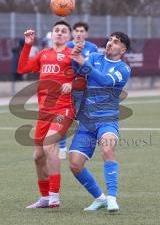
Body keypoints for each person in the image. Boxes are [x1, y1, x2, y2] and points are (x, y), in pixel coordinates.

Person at [17, 21, 86, 209]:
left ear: (69, 37)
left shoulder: (73, 55)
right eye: (57, 30)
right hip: (44, 111)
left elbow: (83, 81)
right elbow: (22, 69)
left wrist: (72, 85)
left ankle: (55, 195)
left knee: (49, 145)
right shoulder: (43, 54)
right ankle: (45, 197)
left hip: (64, 108)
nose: (60, 33)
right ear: (52, 34)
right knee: (38, 156)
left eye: (64, 31)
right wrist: (28, 44)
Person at [69, 32, 131, 212]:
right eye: (110, 39)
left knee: (107, 149)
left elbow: (104, 81)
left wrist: (82, 62)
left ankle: (112, 198)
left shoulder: (124, 69)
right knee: (74, 164)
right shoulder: (95, 57)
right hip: (87, 122)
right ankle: (100, 198)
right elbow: (77, 70)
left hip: (107, 120)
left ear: (123, 49)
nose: (110, 43)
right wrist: (76, 56)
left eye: (116, 41)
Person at [59, 22, 98, 159]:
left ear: (86, 34)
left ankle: (80, 147)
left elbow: (93, 68)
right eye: (76, 31)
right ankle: (62, 147)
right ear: (72, 33)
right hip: (67, 89)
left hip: (84, 89)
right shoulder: (66, 46)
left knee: (84, 120)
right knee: (64, 117)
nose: (79, 33)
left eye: (82, 31)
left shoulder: (92, 48)